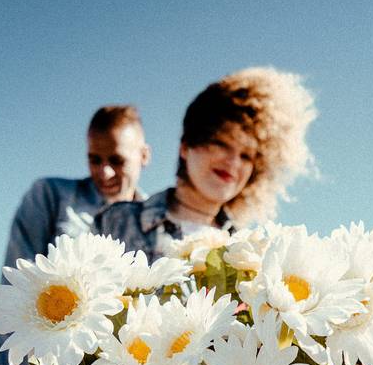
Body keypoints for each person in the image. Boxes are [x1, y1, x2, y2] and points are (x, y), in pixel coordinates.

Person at [0, 105, 150, 365]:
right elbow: (17, 287)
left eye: (117, 160)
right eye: (95, 159)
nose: (104, 172)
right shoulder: (50, 196)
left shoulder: (156, 222)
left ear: (144, 156)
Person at [93, 66, 317, 257]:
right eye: (222, 144)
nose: (233, 162)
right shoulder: (118, 220)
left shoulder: (247, 251)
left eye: (246, 156)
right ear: (186, 146)